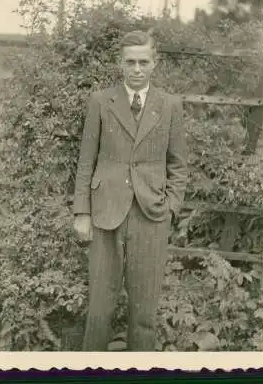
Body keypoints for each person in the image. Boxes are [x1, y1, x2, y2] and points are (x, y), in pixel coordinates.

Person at [73, 29, 187, 351]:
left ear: (155, 63)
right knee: (99, 306)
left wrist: (171, 208)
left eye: (143, 62)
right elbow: (86, 160)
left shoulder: (169, 105)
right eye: (130, 62)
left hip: (151, 215)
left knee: (144, 309)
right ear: (120, 64)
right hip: (105, 212)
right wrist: (82, 212)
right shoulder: (100, 101)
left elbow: (179, 164)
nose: (137, 69)